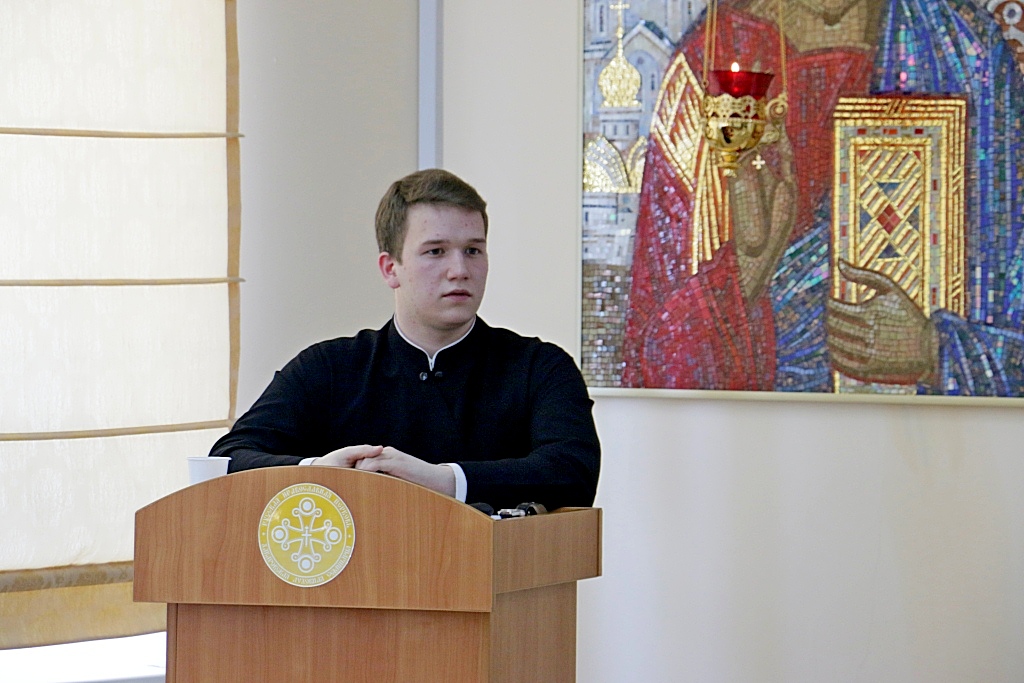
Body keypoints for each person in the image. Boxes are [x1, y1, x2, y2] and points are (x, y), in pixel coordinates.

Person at [622, 0, 1024, 395]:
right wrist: (745, 274)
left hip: (930, 433)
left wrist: (933, 349)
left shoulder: (965, 52)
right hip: (760, 431)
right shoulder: (711, 56)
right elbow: (653, 369)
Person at [210, 169, 600, 511]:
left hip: (497, 570)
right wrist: (318, 472)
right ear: (390, 268)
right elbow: (227, 459)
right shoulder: (328, 367)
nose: (459, 270)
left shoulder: (539, 366)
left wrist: (444, 480)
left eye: (473, 250)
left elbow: (573, 472)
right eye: (436, 251)